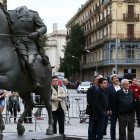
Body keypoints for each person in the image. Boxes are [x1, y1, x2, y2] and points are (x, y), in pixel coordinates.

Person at [9, 6, 47, 88]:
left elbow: (43, 27)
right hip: (15, 42)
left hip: (30, 43)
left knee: (29, 61)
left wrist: (37, 33)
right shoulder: (10, 14)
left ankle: (36, 81)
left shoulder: (33, 14)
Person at [86, 75, 102, 140]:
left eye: (100, 80)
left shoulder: (102, 89)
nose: (98, 81)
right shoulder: (91, 89)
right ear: (94, 81)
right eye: (97, 79)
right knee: (91, 127)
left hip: (100, 112)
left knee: (98, 127)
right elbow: (89, 101)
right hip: (93, 111)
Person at [107, 74, 121, 140]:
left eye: (117, 78)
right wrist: (109, 109)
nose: (117, 79)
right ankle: (113, 138)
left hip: (121, 110)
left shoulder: (121, 87)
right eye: (115, 78)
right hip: (113, 110)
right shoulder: (109, 88)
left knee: (122, 126)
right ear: (112, 80)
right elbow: (108, 99)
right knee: (113, 126)